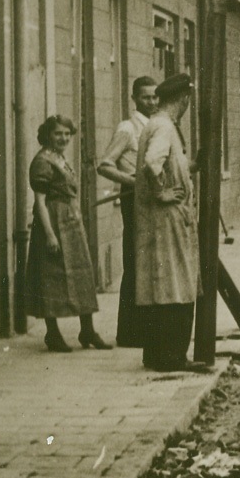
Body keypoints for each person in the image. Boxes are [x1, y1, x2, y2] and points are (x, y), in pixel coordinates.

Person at [134, 73, 206, 372]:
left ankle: (155, 354)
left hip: (158, 220)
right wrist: (162, 192)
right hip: (168, 218)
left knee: (159, 285)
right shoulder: (164, 126)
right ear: (185, 99)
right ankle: (173, 356)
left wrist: (190, 167)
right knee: (178, 283)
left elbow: (165, 163)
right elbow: (153, 162)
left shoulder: (155, 124)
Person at [25, 115, 109, 352]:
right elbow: (40, 202)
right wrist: (50, 235)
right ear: (47, 135)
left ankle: (88, 331)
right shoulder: (42, 161)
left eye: (66, 134)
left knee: (82, 272)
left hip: (71, 223)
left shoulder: (59, 158)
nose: (63, 138)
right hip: (53, 221)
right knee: (51, 276)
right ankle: (52, 334)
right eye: (57, 134)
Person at [96, 76, 158, 348]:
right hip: (134, 199)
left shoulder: (157, 126)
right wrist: (135, 182)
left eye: (155, 97)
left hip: (152, 200)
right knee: (135, 262)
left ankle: (145, 329)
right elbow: (105, 165)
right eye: (146, 97)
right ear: (134, 98)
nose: (152, 102)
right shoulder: (128, 128)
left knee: (150, 261)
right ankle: (130, 333)